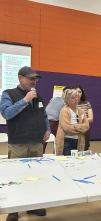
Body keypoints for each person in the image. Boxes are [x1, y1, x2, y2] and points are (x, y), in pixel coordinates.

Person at [0, 66, 50, 221]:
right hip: (19, 143)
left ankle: (32, 205)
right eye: (31, 78)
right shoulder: (8, 93)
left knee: (34, 176)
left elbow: (44, 114)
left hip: (36, 142)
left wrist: (47, 128)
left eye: (35, 79)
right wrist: (25, 100)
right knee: (16, 176)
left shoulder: (38, 96)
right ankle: (14, 209)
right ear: (20, 78)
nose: (34, 81)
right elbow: (6, 113)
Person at [55, 89, 89, 155]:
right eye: (73, 98)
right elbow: (66, 128)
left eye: (77, 97)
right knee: (67, 161)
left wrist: (74, 126)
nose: (76, 99)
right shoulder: (64, 111)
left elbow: (86, 126)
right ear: (67, 99)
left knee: (77, 160)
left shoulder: (81, 111)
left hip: (79, 140)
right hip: (67, 141)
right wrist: (80, 127)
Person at [43, 86, 70, 153]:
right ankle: (41, 155)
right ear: (63, 93)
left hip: (55, 122)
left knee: (57, 141)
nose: (66, 94)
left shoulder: (66, 102)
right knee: (44, 141)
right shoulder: (54, 98)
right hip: (46, 121)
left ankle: (55, 155)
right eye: (65, 92)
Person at [75, 85, 93, 150]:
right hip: (73, 130)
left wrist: (80, 120)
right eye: (76, 91)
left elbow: (91, 119)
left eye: (80, 92)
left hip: (85, 130)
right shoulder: (70, 103)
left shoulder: (87, 103)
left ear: (82, 93)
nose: (78, 93)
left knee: (84, 150)